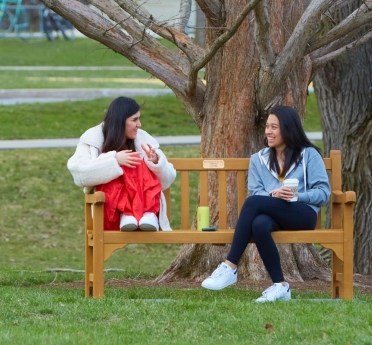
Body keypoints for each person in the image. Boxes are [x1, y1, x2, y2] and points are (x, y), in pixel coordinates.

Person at [201, 106, 331, 302]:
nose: (268, 131)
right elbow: (258, 190)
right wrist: (274, 197)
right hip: (273, 213)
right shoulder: (258, 159)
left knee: (253, 202)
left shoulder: (309, 155)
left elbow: (323, 193)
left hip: (302, 214)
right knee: (259, 223)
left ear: (288, 129)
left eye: (274, 127)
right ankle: (281, 286)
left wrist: (295, 196)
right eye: (267, 126)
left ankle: (230, 265)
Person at [67, 97, 176, 231]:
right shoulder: (92, 139)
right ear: (120, 121)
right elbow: (79, 174)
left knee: (137, 163)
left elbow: (168, 178)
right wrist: (114, 160)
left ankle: (146, 214)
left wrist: (155, 161)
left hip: (146, 219)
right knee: (128, 163)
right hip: (111, 214)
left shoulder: (144, 140)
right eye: (134, 120)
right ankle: (128, 213)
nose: (139, 124)